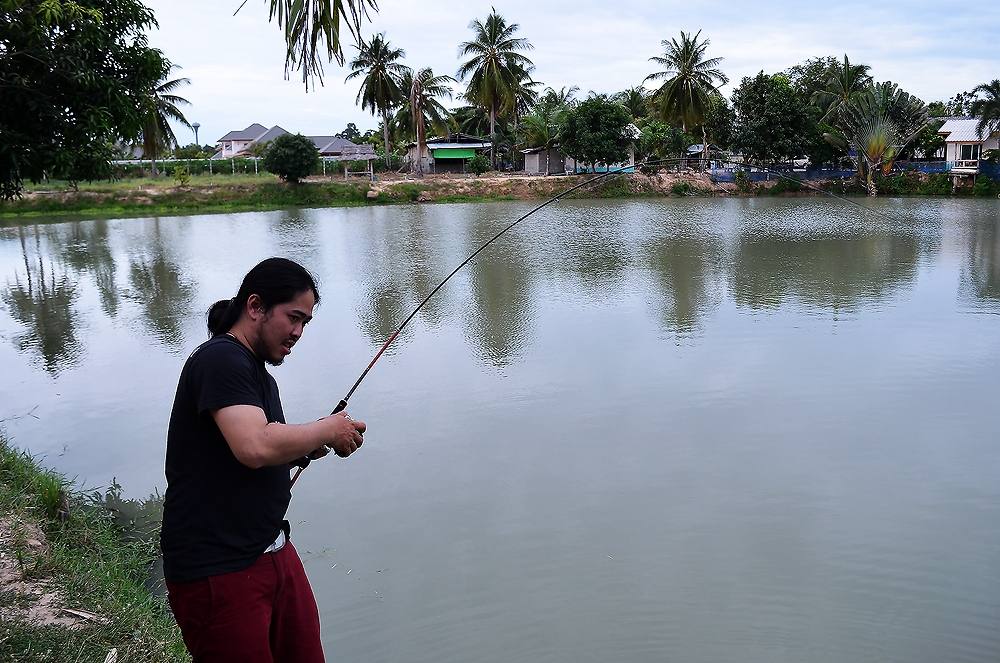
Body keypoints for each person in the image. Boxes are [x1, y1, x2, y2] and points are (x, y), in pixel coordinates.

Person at [160, 257, 366, 662]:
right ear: (255, 307)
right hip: (217, 570)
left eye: (305, 322)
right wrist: (326, 429)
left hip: (271, 551)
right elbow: (254, 446)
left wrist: (303, 445)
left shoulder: (256, 374)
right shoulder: (220, 360)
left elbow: (249, 451)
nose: (298, 332)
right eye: (293, 317)